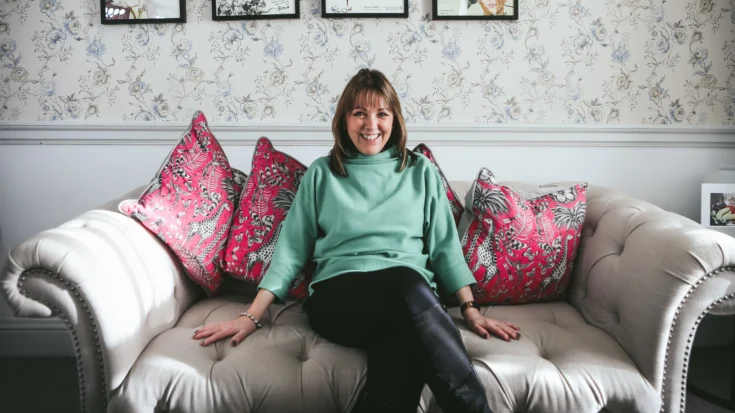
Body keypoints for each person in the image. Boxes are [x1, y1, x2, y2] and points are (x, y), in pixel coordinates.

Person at [193, 69, 520, 412]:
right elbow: (290, 251)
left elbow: (445, 249)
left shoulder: (421, 171)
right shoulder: (322, 173)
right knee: (405, 284)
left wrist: (469, 309)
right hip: (339, 299)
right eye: (360, 113)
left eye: (382, 113)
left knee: (400, 348)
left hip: (411, 303)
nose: (371, 124)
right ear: (344, 120)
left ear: (394, 119)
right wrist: (252, 315)